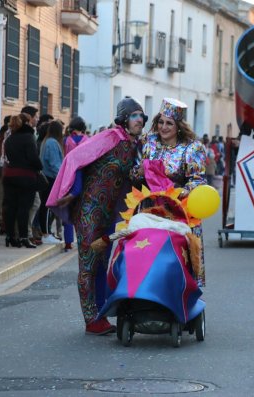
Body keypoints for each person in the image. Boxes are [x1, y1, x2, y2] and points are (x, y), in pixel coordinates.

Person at [46, 97, 146, 335]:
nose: (140, 120)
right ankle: (91, 319)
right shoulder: (110, 137)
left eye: (142, 116)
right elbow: (77, 158)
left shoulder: (136, 146)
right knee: (89, 263)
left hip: (110, 212)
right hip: (89, 210)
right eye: (134, 115)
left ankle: (101, 313)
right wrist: (75, 190)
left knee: (104, 262)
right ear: (123, 119)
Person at [132, 97, 207, 285]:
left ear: (178, 126)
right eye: (160, 122)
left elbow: (198, 180)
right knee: (150, 256)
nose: (163, 127)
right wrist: (139, 172)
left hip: (179, 211)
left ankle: (186, 296)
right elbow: (134, 176)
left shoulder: (191, 148)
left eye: (169, 123)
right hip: (151, 211)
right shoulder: (148, 143)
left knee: (178, 261)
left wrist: (179, 192)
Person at [2, 113, 42, 249]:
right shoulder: (29, 138)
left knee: (10, 208)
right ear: (26, 124)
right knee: (24, 208)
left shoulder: (10, 138)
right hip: (26, 177)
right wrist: (39, 166)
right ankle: (24, 237)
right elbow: (33, 158)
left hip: (9, 176)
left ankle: (10, 236)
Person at [62, 117, 89, 251]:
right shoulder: (87, 140)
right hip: (84, 175)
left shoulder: (67, 140)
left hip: (68, 174)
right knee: (82, 212)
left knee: (68, 211)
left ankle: (68, 242)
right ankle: (82, 240)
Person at [38, 120, 65, 244]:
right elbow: (55, 164)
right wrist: (63, 177)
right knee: (48, 207)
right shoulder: (53, 143)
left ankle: (46, 232)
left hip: (46, 177)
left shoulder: (46, 141)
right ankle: (46, 234)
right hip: (51, 179)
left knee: (45, 207)